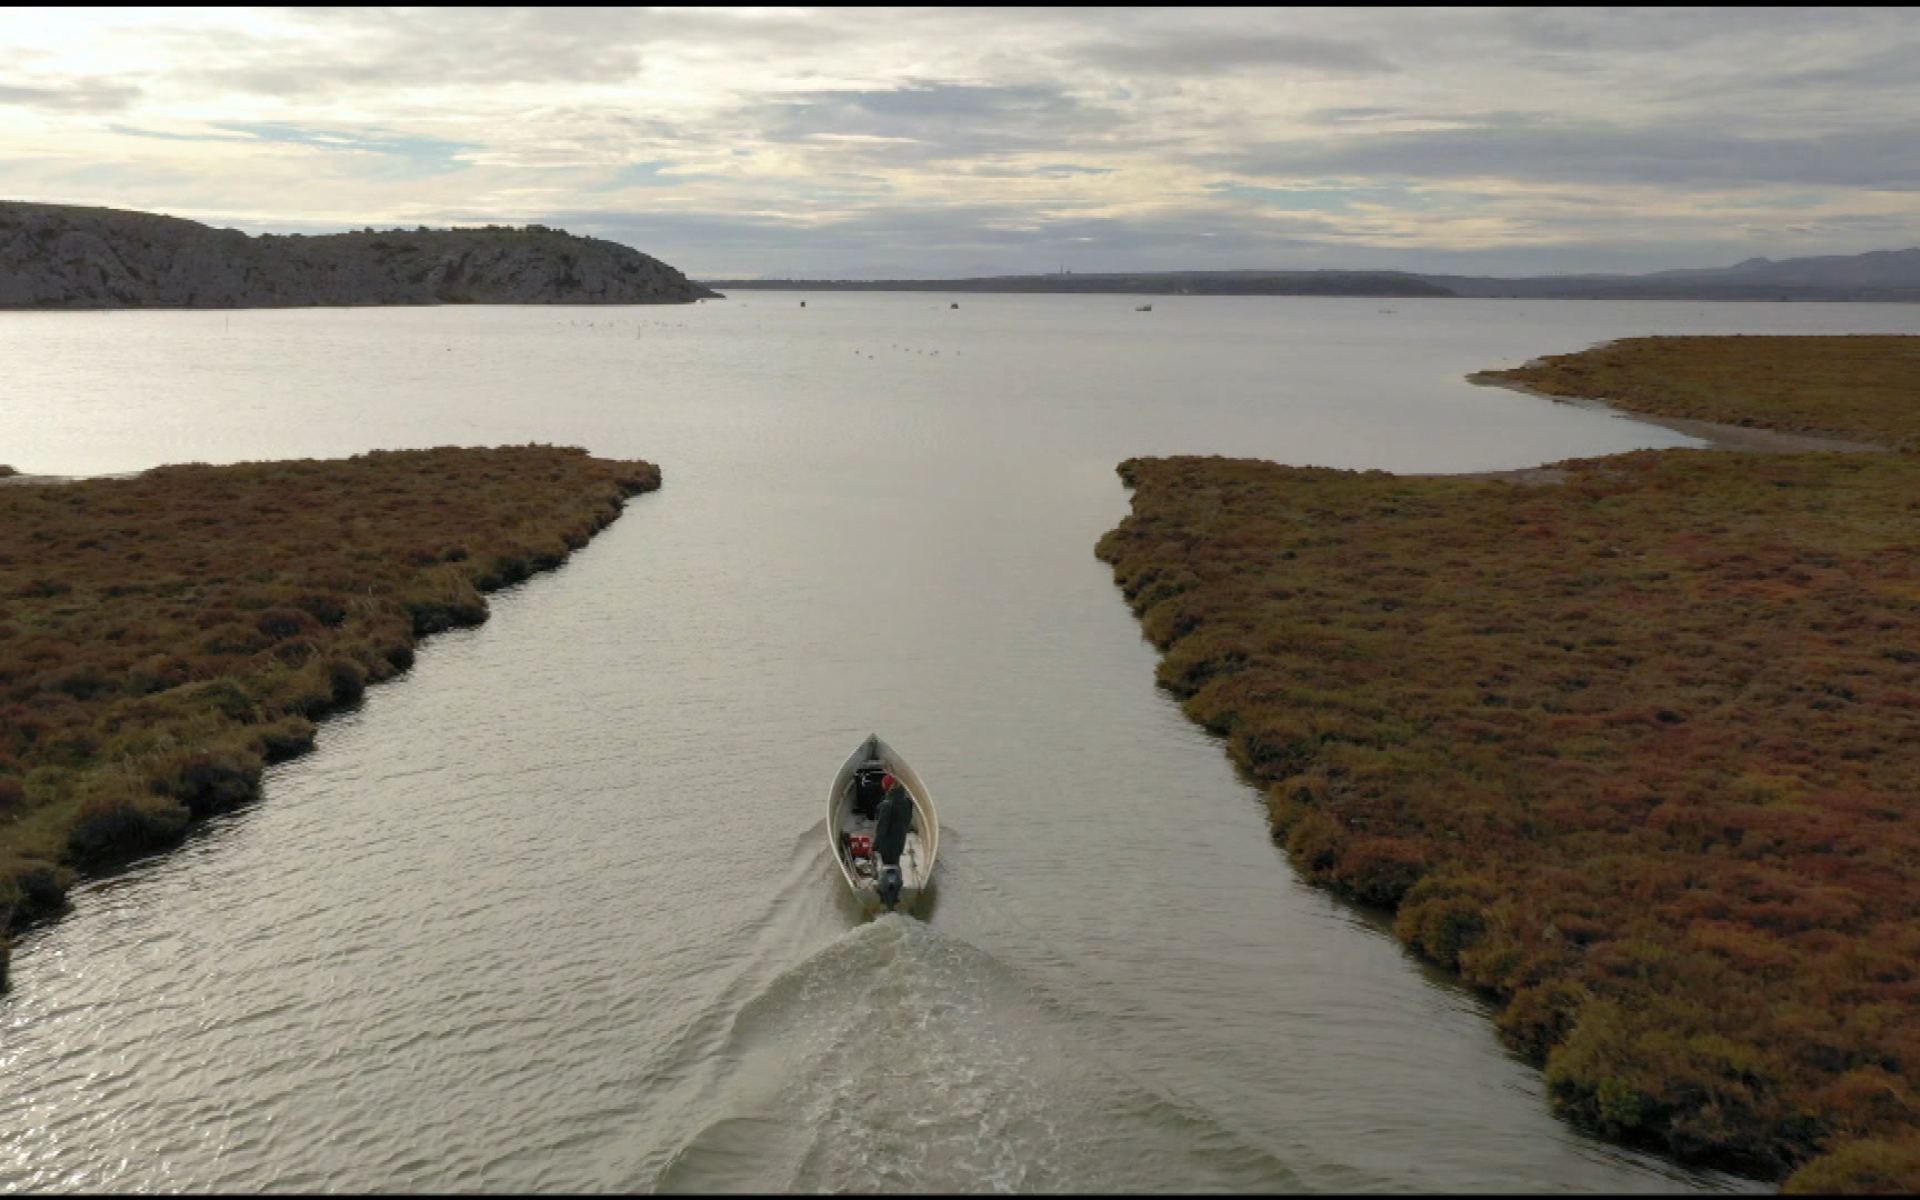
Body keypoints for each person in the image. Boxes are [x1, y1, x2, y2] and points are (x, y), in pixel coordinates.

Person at [872, 773, 914, 868]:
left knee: (888, 867)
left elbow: (881, 829)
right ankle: (897, 879)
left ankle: (891, 881)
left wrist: (874, 847)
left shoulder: (886, 806)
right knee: (895, 864)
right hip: (899, 842)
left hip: (887, 847)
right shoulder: (907, 802)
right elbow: (907, 822)